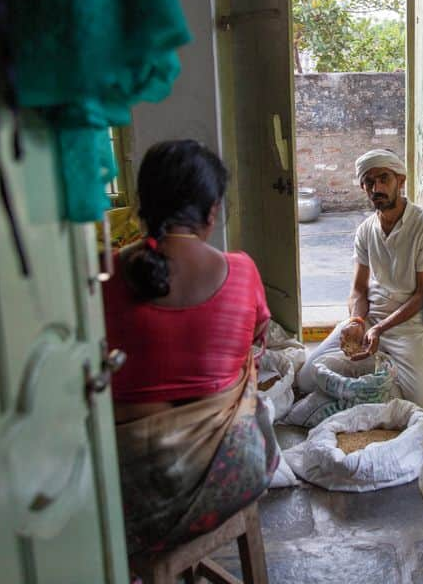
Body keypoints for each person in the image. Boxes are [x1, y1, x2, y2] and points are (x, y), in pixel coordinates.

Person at [103, 140, 277, 556]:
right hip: (227, 477)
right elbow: (259, 341)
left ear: (142, 205)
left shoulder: (103, 274)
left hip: (123, 493)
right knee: (248, 370)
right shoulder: (241, 271)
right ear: (212, 210)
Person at [298, 149, 423, 412]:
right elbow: (358, 289)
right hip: (370, 321)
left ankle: (380, 369)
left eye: (383, 179)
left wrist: (380, 330)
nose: (376, 187)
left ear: (400, 181)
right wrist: (356, 322)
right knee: (306, 379)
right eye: (368, 182)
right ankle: (380, 368)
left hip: (410, 328)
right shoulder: (366, 230)